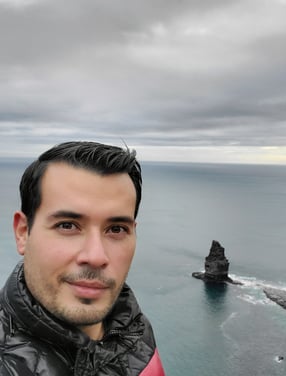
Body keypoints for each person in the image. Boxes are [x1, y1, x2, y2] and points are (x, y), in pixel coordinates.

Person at [0, 141, 165, 376]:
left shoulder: (134, 328)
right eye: (67, 225)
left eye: (116, 229)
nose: (96, 257)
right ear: (22, 233)